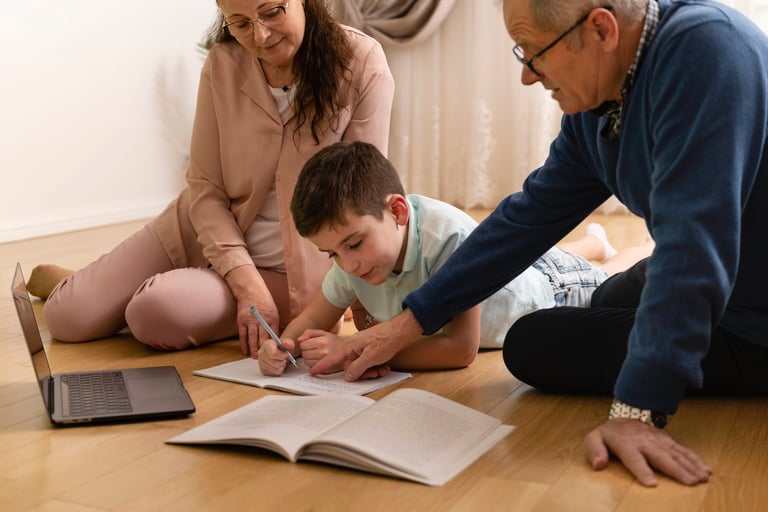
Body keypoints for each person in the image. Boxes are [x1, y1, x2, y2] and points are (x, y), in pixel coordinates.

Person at [310, 0, 768, 488]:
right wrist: (407, 323)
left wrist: (637, 410)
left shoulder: (707, 52)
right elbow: (523, 221)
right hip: (727, 266)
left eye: (533, 53)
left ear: (601, 29)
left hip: (753, 315)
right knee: (608, 298)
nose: (528, 76)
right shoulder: (596, 104)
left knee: (533, 344)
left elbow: (693, 249)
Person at [26, 0, 394, 355]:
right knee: (66, 318)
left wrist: (356, 292)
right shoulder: (223, 63)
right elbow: (205, 188)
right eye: (241, 22)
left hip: (289, 273)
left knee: (153, 313)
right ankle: (83, 289)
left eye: (271, 12)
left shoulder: (361, 62)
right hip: (198, 230)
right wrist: (246, 286)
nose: (261, 35)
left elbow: (362, 191)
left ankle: (126, 295)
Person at [258, 140, 651, 376]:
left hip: (549, 290)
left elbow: (460, 350)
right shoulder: (355, 257)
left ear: (397, 212)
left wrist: (351, 350)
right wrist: (282, 346)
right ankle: (594, 243)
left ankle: (634, 249)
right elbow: (312, 319)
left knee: (612, 280)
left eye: (353, 245)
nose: (347, 265)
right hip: (528, 268)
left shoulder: (449, 239)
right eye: (332, 254)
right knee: (554, 258)